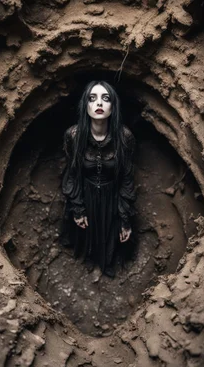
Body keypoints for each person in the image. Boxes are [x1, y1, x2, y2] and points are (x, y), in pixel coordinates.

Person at [61, 80, 136, 277]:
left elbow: (127, 179)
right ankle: (89, 260)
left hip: (112, 196)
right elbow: (72, 173)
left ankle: (107, 264)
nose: (99, 104)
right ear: (85, 105)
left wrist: (125, 218)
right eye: (92, 99)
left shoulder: (124, 136)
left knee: (113, 235)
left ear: (113, 106)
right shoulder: (73, 135)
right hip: (85, 193)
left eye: (106, 98)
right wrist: (77, 208)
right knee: (85, 231)